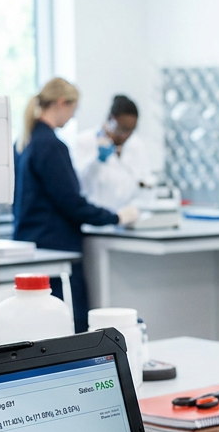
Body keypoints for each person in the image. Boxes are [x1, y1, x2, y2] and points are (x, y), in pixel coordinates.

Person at [12, 78, 137, 332]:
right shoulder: (52, 146)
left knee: (40, 328)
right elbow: (72, 202)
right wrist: (115, 217)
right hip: (56, 246)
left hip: (34, 243)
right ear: (61, 103)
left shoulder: (26, 141)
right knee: (71, 325)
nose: (71, 118)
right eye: (73, 110)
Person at [71, 94, 156, 214]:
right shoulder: (86, 141)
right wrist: (97, 161)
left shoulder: (136, 145)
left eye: (131, 131)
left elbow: (145, 182)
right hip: (95, 221)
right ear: (111, 119)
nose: (126, 136)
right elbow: (78, 184)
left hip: (127, 221)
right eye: (123, 129)